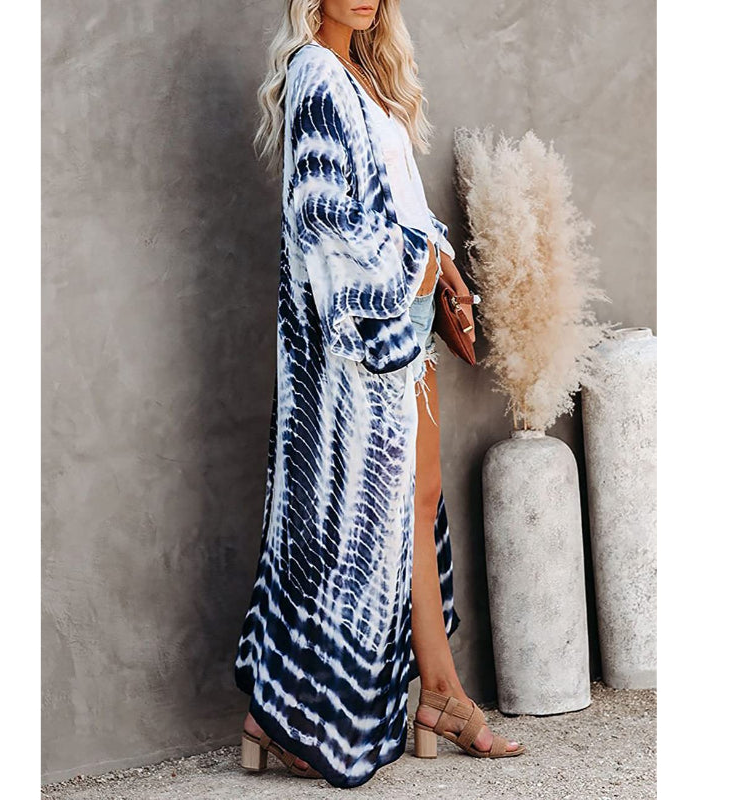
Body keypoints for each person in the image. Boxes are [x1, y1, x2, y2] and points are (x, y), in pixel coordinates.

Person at [233, 0, 524, 788]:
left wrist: (442, 262)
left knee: (417, 502)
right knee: (345, 527)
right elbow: (321, 219)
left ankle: (440, 692)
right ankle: (276, 712)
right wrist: (416, 268)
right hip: (357, 337)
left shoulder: (363, 72)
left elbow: (400, 201)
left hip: (404, 322)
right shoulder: (315, 74)